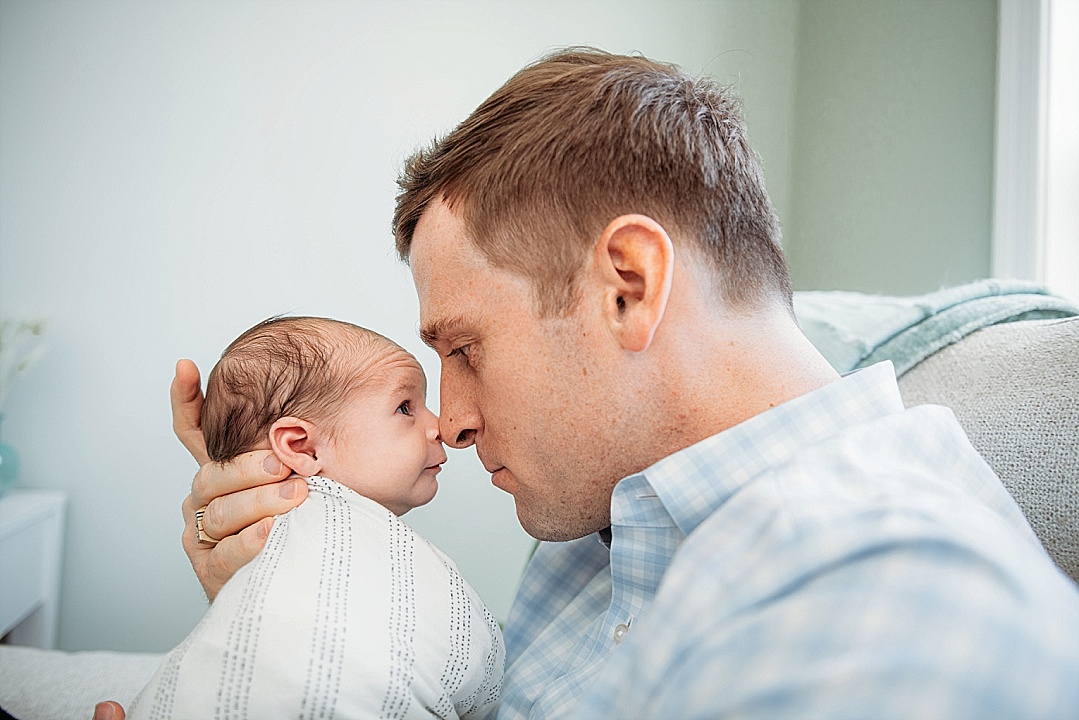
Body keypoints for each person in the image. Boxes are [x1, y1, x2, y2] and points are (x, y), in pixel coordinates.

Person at [97, 48, 1079, 720]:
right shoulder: (619, 509)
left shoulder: (881, 597)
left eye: (467, 347)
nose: (453, 418)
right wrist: (296, 599)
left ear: (627, 287)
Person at [127, 316, 503, 720]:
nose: (440, 428)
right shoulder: (312, 535)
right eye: (405, 407)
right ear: (302, 447)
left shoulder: (358, 546)